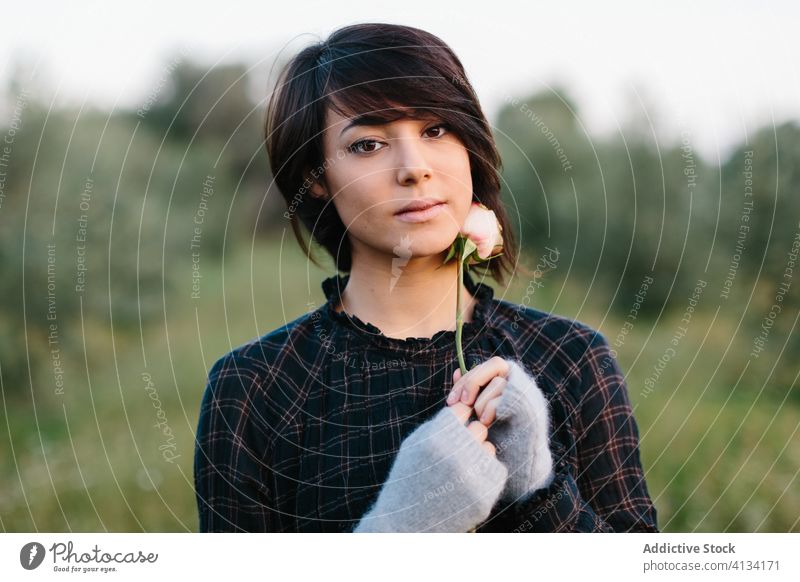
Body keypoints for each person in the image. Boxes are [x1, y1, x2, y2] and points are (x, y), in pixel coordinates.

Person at [193, 22, 659, 533]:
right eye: (368, 144)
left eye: (435, 130)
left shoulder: (571, 358)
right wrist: (394, 533)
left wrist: (536, 490)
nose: (414, 167)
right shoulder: (252, 389)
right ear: (318, 179)